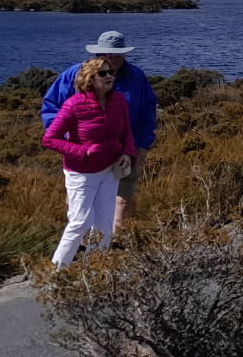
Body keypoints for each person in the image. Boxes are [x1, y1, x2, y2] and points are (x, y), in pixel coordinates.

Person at [41, 30, 158, 234]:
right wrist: (72, 142)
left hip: (125, 152)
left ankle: (113, 247)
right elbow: (52, 106)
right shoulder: (76, 74)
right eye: (105, 54)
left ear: (124, 54)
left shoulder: (136, 77)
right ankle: (81, 246)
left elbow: (147, 112)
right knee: (81, 205)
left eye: (115, 54)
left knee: (122, 201)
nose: (110, 58)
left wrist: (141, 146)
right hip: (86, 156)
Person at [43, 56, 137, 266]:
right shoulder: (74, 105)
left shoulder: (119, 100)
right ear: (89, 78)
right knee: (80, 222)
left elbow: (127, 133)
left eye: (111, 72)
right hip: (81, 173)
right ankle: (56, 272)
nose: (109, 76)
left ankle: (95, 270)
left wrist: (127, 154)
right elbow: (49, 139)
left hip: (110, 170)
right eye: (102, 73)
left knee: (104, 224)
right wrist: (84, 152)